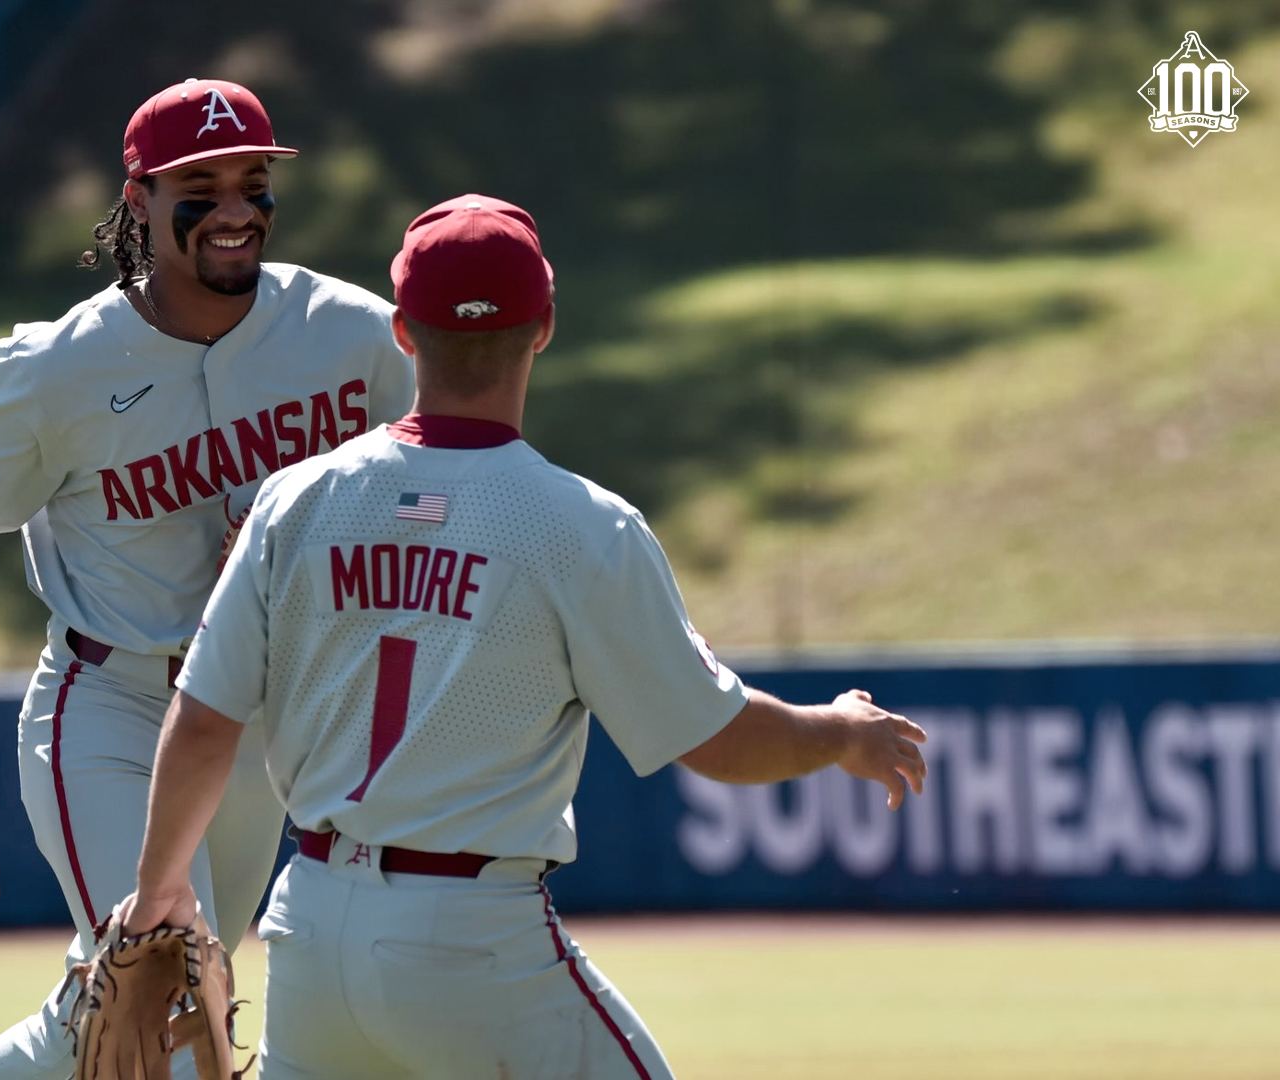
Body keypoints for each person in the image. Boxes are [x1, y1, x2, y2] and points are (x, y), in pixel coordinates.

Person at [122, 194, 929, 1079]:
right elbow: (718, 740)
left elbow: (202, 724)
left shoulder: (297, 500)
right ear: (543, 327)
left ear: (401, 331)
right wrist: (841, 733)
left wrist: (157, 900)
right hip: (473, 939)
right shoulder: (579, 526)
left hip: (310, 927)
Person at [0, 78, 415, 1080]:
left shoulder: (351, 335)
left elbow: (431, 481)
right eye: (202, 184)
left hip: (253, 722)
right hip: (114, 707)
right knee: (173, 1010)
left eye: (253, 182)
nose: (235, 207)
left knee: (99, 1011)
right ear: (136, 199)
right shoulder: (54, 370)